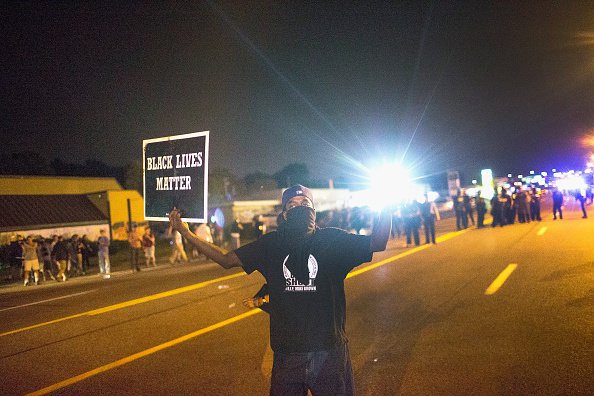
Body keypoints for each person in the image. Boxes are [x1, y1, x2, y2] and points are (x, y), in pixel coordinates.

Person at [169, 185, 391, 395]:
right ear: (284, 214)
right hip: (287, 356)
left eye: (305, 202)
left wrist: (386, 203)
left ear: (314, 210)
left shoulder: (333, 240)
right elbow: (227, 260)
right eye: (292, 205)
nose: (300, 207)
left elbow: (378, 242)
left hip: (329, 353)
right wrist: (186, 234)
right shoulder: (271, 245)